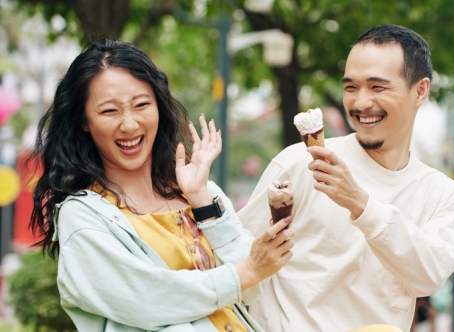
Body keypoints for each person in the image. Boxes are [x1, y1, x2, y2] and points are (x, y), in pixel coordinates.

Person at [28, 39, 294, 332]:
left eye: (141, 105)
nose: (129, 125)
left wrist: (202, 202)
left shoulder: (199, 193)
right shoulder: (84, 216)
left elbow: (253, 288)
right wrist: (246, 271)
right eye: (109, 111)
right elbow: (146, 300)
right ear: (84, 121)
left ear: (159, 107)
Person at [238, 24, 454, 331]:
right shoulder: (299, 163)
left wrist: (359, 203)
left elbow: (427, 277)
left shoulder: (442, 195)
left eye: (377, 87)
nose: (360, 103)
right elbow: (237, 258)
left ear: (420, 90)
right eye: (350, 87)